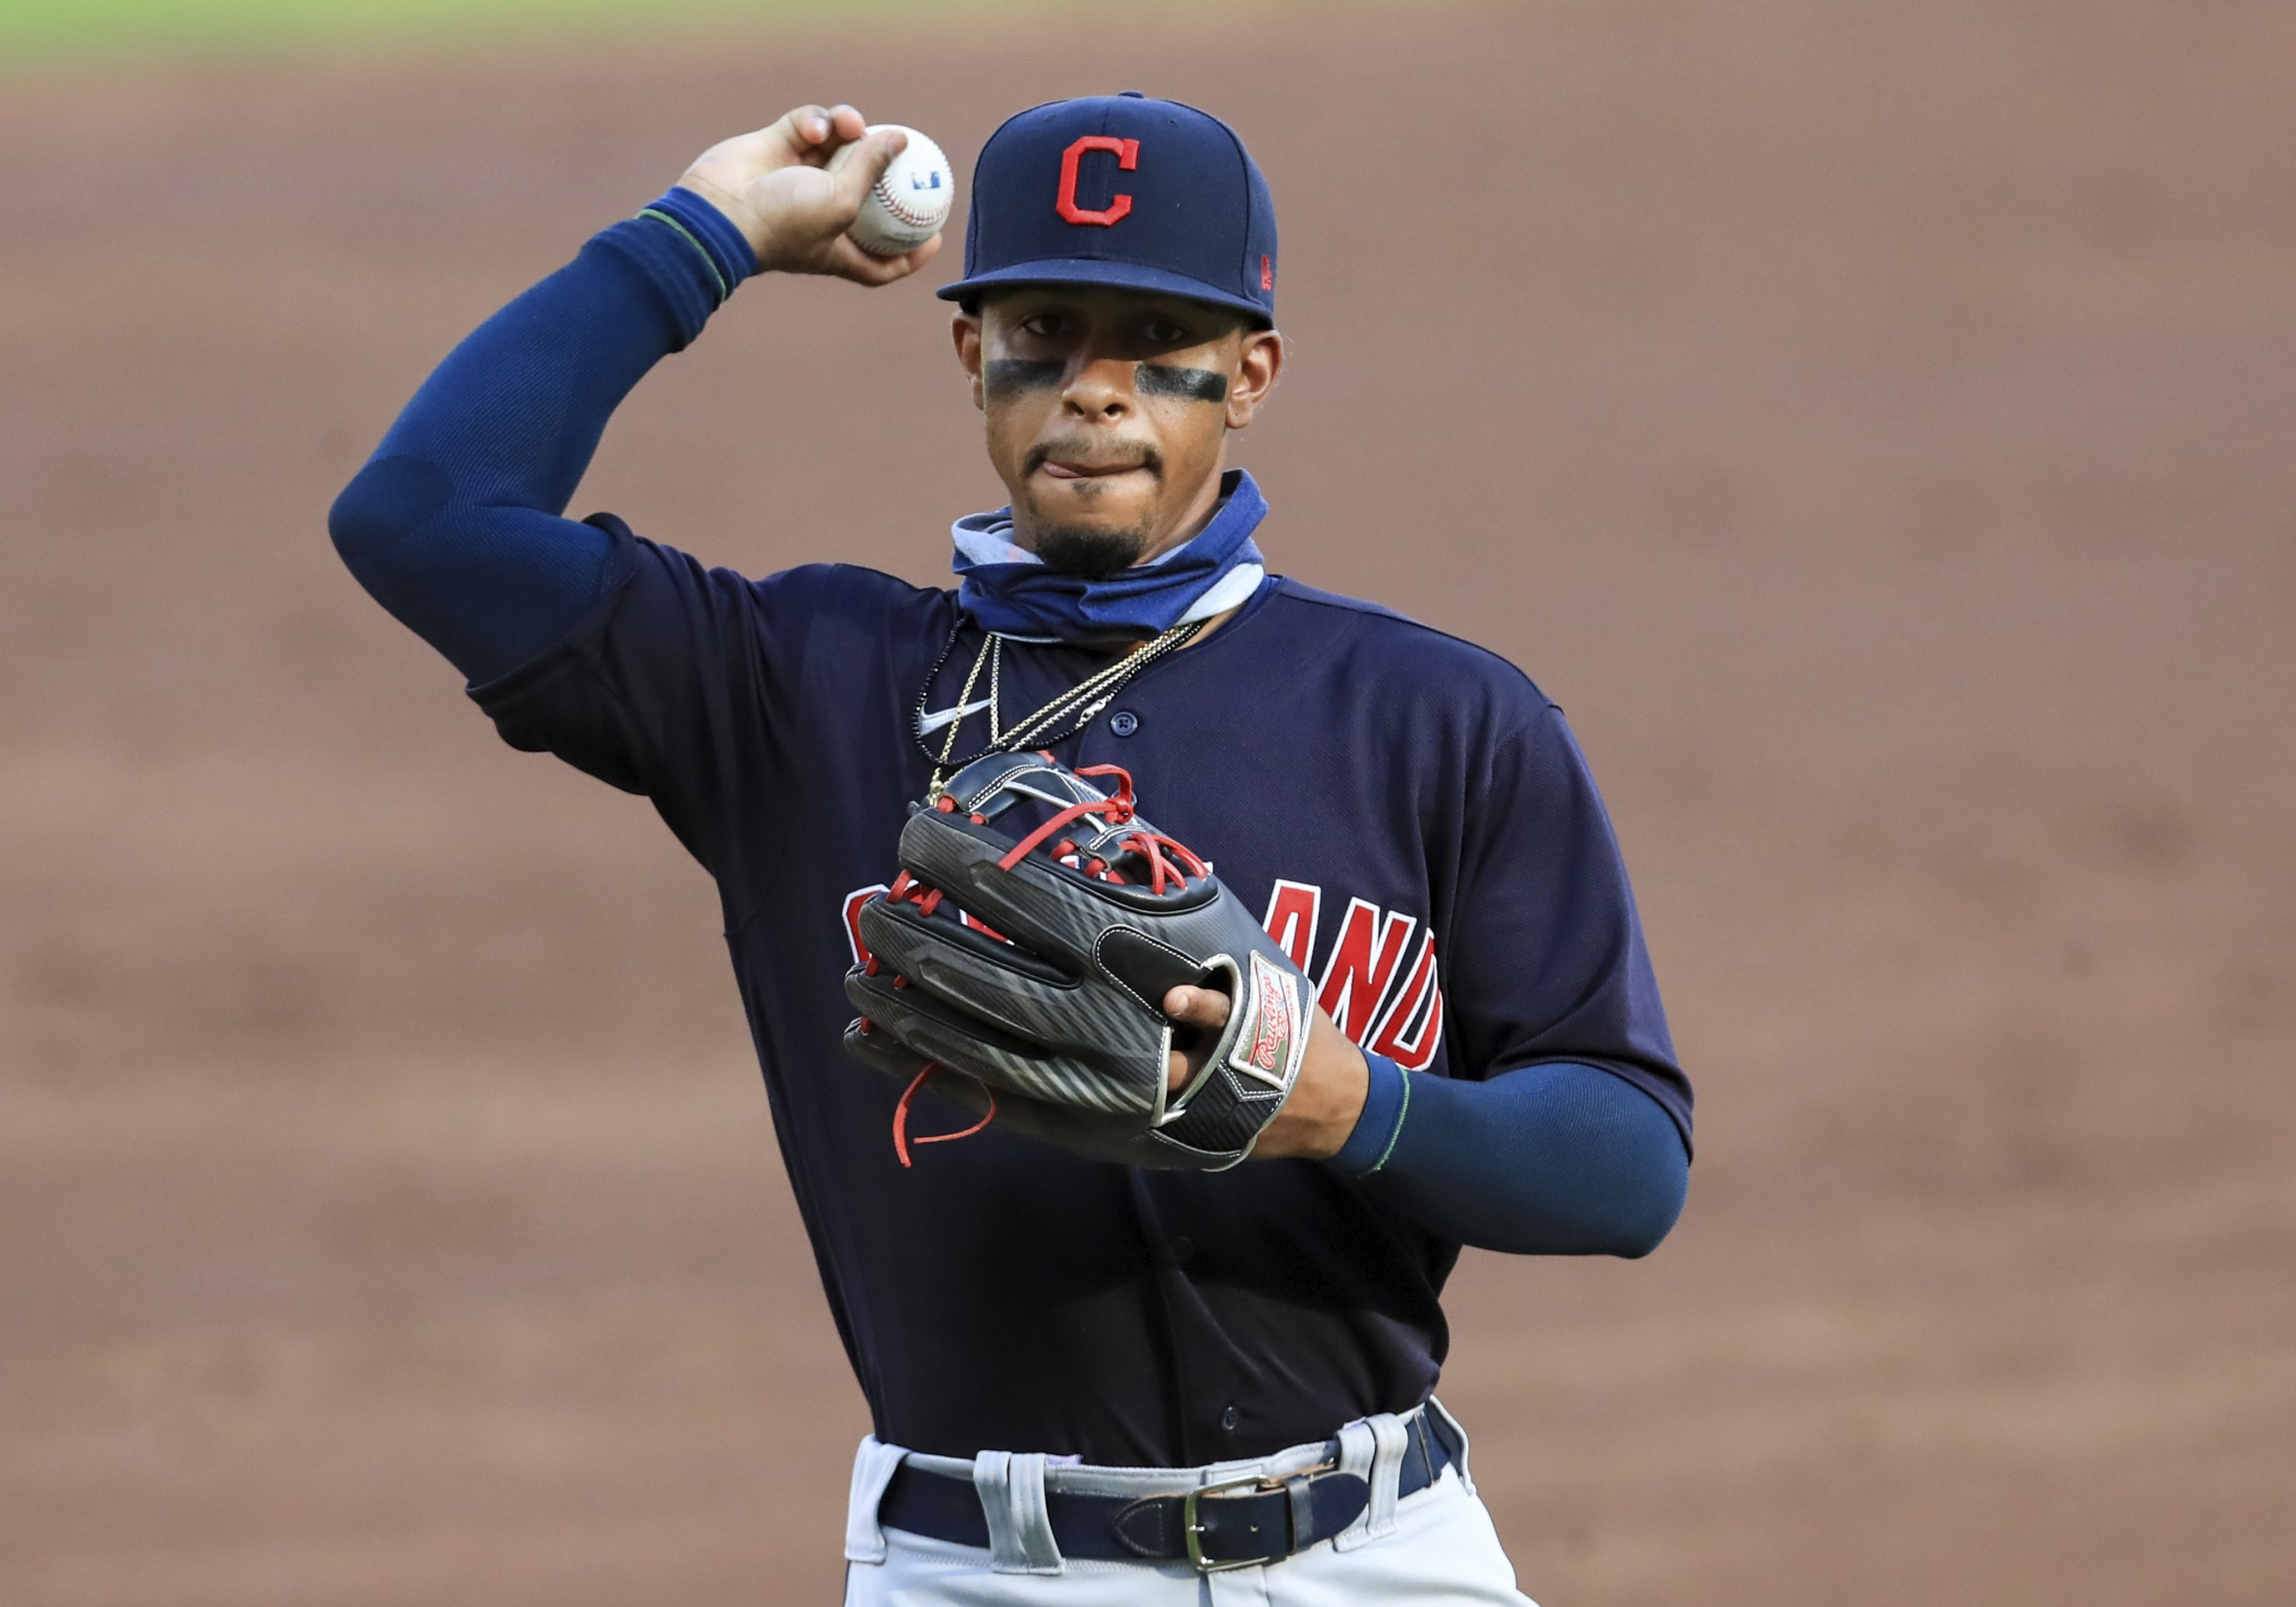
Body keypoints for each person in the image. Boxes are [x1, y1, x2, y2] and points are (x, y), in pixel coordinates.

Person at [330, 91, 1693, 1605]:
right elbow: (423, 517)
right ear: (971, 356)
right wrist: (701, 234)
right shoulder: (798, 685)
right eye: (1044, 331)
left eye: (1156, 346)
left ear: (1250, 375)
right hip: (980, 1576)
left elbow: (1628, 1167)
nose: (1095, 393)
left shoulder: (1438, 719)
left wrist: (1345, 1108)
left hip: (1382, 1560)